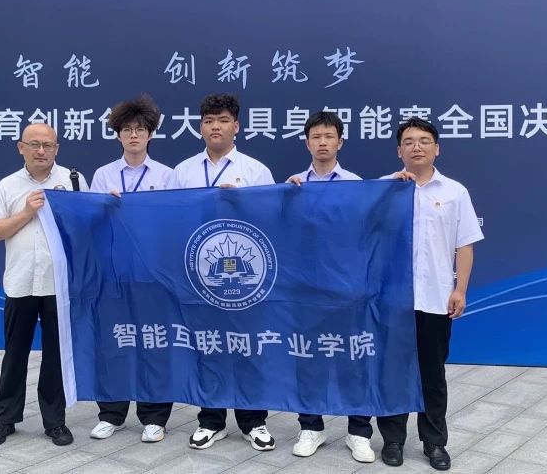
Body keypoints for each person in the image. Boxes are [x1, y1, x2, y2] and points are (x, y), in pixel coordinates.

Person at [171, 92, 277, 451]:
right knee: (208, 346)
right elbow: (169, 218)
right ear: (201, 127)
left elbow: (272, 221)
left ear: (237, 126)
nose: (215, 126)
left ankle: (253, 420)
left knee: (248, 347)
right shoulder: (183, 171)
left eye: (223, 120)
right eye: (209, 121)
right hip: (200, 276)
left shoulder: (256, 170)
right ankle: (211, 420)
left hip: (247, 280)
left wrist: (244, 204)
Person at [376, 117, 483, 471]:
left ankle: (434, 442)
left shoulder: (454, 192)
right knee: (392, 371)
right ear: (399, 151)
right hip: (392, 301)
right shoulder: (384, 189)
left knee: (432, 375)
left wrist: (460, 289)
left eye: (424, 141)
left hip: (435, 298)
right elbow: (358, 231)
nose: (416, 147)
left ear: (437, 148)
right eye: (408, 142)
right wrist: (389, 192)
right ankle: (392, 440)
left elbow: (464, 245)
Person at [0, 123, 89, 448]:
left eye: (47, 145)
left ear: (57, 148)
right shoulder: (8, 185)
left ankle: (55, 422)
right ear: (21, 148)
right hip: (20, 283)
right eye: (34, 144)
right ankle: (5, 419)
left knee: (56, 356)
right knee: (15, 354)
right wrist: (27, 213)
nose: (41, 151)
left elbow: (87, 229)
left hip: (59, 285)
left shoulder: (72, 181)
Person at [285, 111, 374, 464]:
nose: (322, 142)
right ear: (306, 143)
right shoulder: (293, 186)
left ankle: (359, 432)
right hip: (306, 289)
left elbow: (366, 233)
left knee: (353, 359)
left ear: (340, 142)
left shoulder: (355, 185)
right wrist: (283, 200)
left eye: (329, 136)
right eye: (316, 136)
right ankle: (311, 426)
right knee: (309, 359)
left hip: (347, 288)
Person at [87, 95, 175, 443]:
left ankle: (154, 416)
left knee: (153, 342)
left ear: (151, 134)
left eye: (140, 129)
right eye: (127, 130)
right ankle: (111, 413)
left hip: (153, 275)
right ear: (118, 135)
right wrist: (103, 208)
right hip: (113, 274)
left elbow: (175, 223)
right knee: (115, 342)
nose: (134, 135)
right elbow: (90, 223)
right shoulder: (103, 174)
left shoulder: (166, 176)